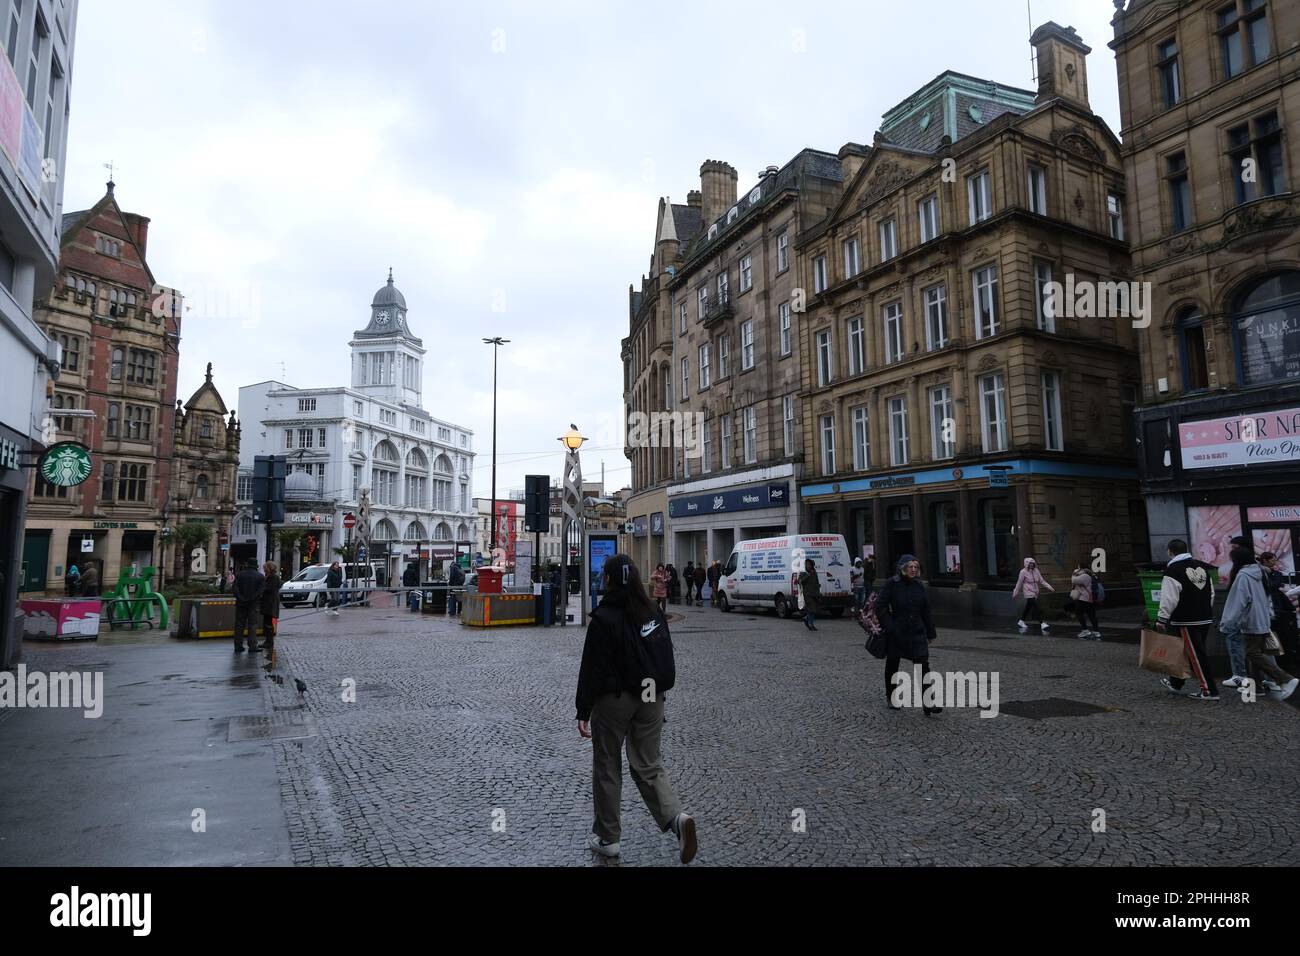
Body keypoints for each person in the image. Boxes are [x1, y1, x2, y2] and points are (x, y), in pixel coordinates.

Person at [574, 553, 696, 864]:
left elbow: (592, 668)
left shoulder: (604, 617)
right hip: (651, 694)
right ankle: (676, 819)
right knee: (649, 763)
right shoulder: (651, 610)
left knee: (607, 764)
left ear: (610, 581)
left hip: (616, 698)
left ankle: (608, 837)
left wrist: (583, 709)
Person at [1221, 547, 1299, 701]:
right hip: (1262, 619)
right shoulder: (1261, 572)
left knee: (1252, 653)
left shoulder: (1243, 576)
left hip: (1251, 620)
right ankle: (1254, 690)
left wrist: (1227, 623)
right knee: (1255, 654)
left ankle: (1285, 679)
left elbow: (1238, 602)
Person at [875, 554, 941, 715]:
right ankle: (891, 696)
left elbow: (925, 611)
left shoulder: (919, 586)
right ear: (902, 568)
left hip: (916, 631)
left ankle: (928, 702)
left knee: (923, 665)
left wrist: (930, 632)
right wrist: (890, 627)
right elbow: (880, 607)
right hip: (897, 631)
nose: (913, 570)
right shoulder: (892, 584)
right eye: (910, 567)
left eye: (916, 567)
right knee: (893, 664)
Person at [1155, 539, 1220, 700]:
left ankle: (1209, 690)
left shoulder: (1173, 570)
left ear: (1170, 551)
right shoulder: (1202, 567)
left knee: (1197, 654)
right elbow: (1210, 592)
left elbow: (1169, 598)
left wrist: (1162, 619)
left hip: (1185, 619)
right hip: (1204, 617)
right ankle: (1176, 682)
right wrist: (1205, 610)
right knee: (1187, 652)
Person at [1259, 552, 1300, 674]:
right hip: (1267, 611)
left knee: (1281, 638)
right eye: (1272, 560)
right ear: (1264, 561)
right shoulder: (1260, 574)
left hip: (1277, 611)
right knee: (1270, 639)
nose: (1274, 562)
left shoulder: (1276, 574)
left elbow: (1275, 585)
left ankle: (1283, 664)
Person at [1012, 557, 1054, 633]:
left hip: (1035, 591)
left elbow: (1041, 580)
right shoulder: (1023, 572)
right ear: (1026, 564)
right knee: (1035, 606)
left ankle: (1021, 621)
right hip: (1028, 591)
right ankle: (1042, 623)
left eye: (1032, 563)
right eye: (1030, 564)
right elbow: (1019, 583)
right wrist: (1016, 592)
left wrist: (1049, 587)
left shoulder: (1036, 571)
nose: (1031, 565)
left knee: (1028, 607)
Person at [232, 559, 265, 653]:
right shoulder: (260, 577)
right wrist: (251, 599)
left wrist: (241, 598)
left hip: (241, 604)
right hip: (253, 605)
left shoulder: (239, 575)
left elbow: (235, 589)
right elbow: (260, 591)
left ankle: (238, 645)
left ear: (247, 565)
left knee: (239, 625)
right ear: (256, 566)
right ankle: (252, 645)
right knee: (252, 625)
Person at [1070, 562, 1100, 640]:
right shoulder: (1091, 574)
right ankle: (1096, 632)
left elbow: (1073, 580)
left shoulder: (1085, 576)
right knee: (1091, 614)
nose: (1078, 568)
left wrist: (1074, 572)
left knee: (1079, 613)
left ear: (1081, 567)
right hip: (1088, 598)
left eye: (1078, 567)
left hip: (1084, 598)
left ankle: (1085, 630)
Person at [258, 561, 281, 652]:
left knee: (268, 623)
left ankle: (269, 642)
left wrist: (262, 588)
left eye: (265, 568)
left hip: (270, 603)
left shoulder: (273, 577)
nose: (264, 570)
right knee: (267, 623)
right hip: (269, 602)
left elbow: (269, 589)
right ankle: (268, 641)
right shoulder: (271, 577)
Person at [798, 558, 821, 631]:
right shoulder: (803, 573)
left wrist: (818, 591)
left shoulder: (814, 572)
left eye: (809, 564)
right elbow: (800, 581)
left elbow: (816, 583)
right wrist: (807, 576)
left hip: (815, 593)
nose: (808, 566)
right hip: (807, 594)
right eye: (806, 564)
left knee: (814, 610)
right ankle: (811, 624)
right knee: (811, 609)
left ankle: (807, 619)